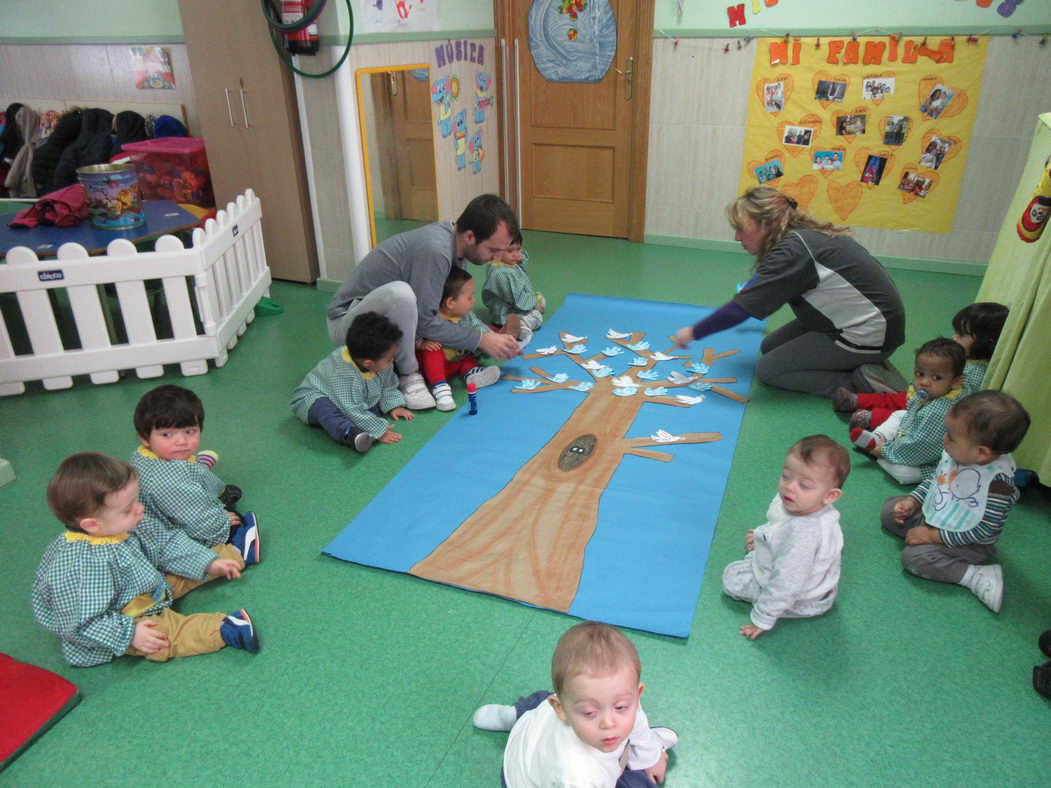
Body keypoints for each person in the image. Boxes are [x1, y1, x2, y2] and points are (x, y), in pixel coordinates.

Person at [673, 186, 907, 397]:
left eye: (741, 229)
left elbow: (740, 309)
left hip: (869, 333)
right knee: (769, 347)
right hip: (859, 321)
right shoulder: (798, 238)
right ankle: (859, 363)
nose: (737, 237)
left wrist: (693, 332)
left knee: (771, 370)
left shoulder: (792, 251)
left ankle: (862, 384)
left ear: (765, 224)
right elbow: (755, 292)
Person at [32, 453, 260, 666]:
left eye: (137, 499)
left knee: (183, 568)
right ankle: (222, 630)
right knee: (162, 635)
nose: (140, 509)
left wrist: (209, 562)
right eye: (128, 508)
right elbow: (81, 624)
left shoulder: (120, 523)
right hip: (118, 621)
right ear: (91, 524)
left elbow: (165, 544)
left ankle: (235, 554)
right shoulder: (79, 566)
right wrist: (131, 633)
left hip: (143, 585)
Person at [326, 194, 521, 410]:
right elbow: (426, 321)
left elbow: (447, 311)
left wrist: (488, 336)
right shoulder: (435, 250)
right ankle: (409, 375)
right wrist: (479, 339)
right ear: (470, 236)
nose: (496, 258)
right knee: (402, 294)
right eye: (493, 250)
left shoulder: (455, 246)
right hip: (348, 326)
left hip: (381, 323)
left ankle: (414, 363)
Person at [472, 621, 678, 787]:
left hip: (531, 730)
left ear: (637, 694)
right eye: (590, 712)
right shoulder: (577, 777)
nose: (608, 722)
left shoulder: (605, 697)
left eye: (621, 707)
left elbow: (637, 719)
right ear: (560, 710)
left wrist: (650, 758)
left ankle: (513, 715)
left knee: (541, 699)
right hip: (520, 779)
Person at [879, 391, 1030, 613]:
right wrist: (913, 501)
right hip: (940, 518)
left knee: (914, 559)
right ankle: (925, 534)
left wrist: (932, 536)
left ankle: (974, 576)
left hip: (969, 542)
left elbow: (984, 532)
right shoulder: (958, 453)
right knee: (890, 510)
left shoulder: (997, 487)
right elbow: (937, 480)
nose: (944, 438)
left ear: (981, 453)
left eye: (950, 435)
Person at [722, 435, 848, 638]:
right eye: (786, 475)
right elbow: (778, 524)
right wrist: (762, 535)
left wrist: (762, 618)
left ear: (829, 496)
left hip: (801, 600)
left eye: (804, 485)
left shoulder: (804, 535)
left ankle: (772, 607)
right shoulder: (799, 502)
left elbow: (786, 584)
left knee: (731, 579)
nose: (790, 486)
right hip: (804, 579)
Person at [130, 385, 260, 563]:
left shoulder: (145, 456)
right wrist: (222, 522)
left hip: (168, 512)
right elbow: (197, 520)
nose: (182, 441)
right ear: (145, 437)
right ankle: (239, 548)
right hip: (170, 534)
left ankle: (217, 495)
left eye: (190, 431)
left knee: (197, 474)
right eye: (167, 434)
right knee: (235, 523)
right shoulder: (170, 482)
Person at [834, 302, 1009, 429]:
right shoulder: (964, 357)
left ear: (986, 342)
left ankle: (871, 419)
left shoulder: (975, 372)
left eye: (962, 335)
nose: (954, 338)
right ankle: (856, 400)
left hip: (929, 408)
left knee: (903, 417)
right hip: (920, 395)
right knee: (898, 398)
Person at [290, 311, 414, 452]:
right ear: (368, 363)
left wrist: (394, 405)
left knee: (372, 407)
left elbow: (388, 384)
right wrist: (379, 431)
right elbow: (351, 409)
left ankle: (361, 423)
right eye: (389, 358)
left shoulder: (374, 360)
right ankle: (350, 433)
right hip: (312, 398)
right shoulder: (345, 374)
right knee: (325, 410)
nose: (393, 360)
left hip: (346, 398)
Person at [850, 338, 966, 484]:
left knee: (902, 473)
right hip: (919, 433)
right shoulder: (940, 391)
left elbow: (919, 448)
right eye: (920, 373)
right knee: (899, 414)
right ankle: (877, 438)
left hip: (932, 459)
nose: (924, 382)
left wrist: (886, 452)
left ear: (956, 382)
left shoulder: (938, 413)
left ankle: (877, 450)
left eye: (936, 377)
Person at [416, 268, 503, 411]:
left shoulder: (466, 315)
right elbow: (412, 331)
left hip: (456, 359)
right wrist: (421, 343)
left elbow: (480, 329)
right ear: (450, 302)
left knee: (471, 347)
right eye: (469, 298)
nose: (474, 300)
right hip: (435, 365)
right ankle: (440, 388)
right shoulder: (431, 318)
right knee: (433, 351)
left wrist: (495, 339)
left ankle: (471, 373)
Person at [482, 228, 546, 349]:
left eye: (518, 249)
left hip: (513, 305)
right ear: (496, 252)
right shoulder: (501, 274)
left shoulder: (505, 262)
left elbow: (520, 272)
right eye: (510, 251)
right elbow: (517, 301)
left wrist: (519, 258)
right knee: (537, 317)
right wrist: (533, 306)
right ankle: (518, 327)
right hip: (506, 314)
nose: (516, 254)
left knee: (536, 298)